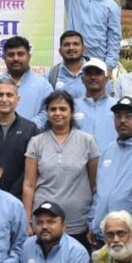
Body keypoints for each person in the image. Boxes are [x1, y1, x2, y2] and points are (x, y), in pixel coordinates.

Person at [22, 91, 99, 252]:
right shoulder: (37, 142)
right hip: (44, 222)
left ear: (71, 112)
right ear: (47, 112)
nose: (58, 113)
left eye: (63, 109)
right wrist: (28, 221)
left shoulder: (87, 141)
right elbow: (29, 185)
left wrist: (94, 219)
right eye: (53, 109)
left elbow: (94, 183)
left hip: (78, 221)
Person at [88, 97, 132, 248]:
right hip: (103, 235)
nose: (122, 121)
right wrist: (92, 223)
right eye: (118, 116)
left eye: (128, 116)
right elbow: (99, 192)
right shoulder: (107, 150)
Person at [0, 36, 53, 129]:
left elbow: (47, 112)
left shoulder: (44, 86)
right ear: (4, 58)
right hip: (0, 139)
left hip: (34, 139)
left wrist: (26, 129)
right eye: (11, 55)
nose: (15, 58)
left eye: (20, 54)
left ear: (29, 57)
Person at [65, 0, 121, 72]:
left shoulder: (111, 5)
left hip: (97, 62)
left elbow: (114, 36)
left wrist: (108, 65)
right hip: (73, 60)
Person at [73, 57, 117, 151]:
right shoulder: (73, 106)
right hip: (79, 163)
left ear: (106, 79)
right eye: (89, 73)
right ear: (82, 79)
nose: (93, 77)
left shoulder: (117, 107)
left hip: (110, 162)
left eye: (98, 73)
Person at [45, 30, 89, 99]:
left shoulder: (96, 73)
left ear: (83, 49)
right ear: (60, 51)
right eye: (67, 45)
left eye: (76, 44)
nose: (71, 48)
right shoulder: (50, 76)